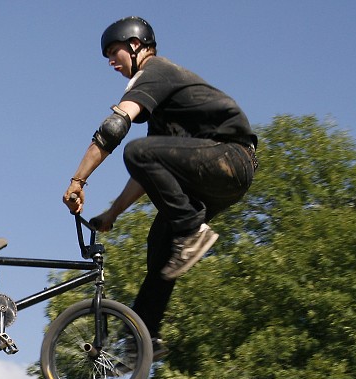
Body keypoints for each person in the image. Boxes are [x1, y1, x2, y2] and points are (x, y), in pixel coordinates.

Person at [63, 16, 258, 359]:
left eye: (114, 52)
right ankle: (142, 340)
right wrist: (113, 213)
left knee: (136, 151)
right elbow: (147, 172)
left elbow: (114, 128)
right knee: (161, 246)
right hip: (218, 176)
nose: (110, 62)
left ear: (135, 46)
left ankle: (192, 229)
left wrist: (77, 180)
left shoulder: (155, 71)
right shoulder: (163, 115)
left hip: (231, 157)